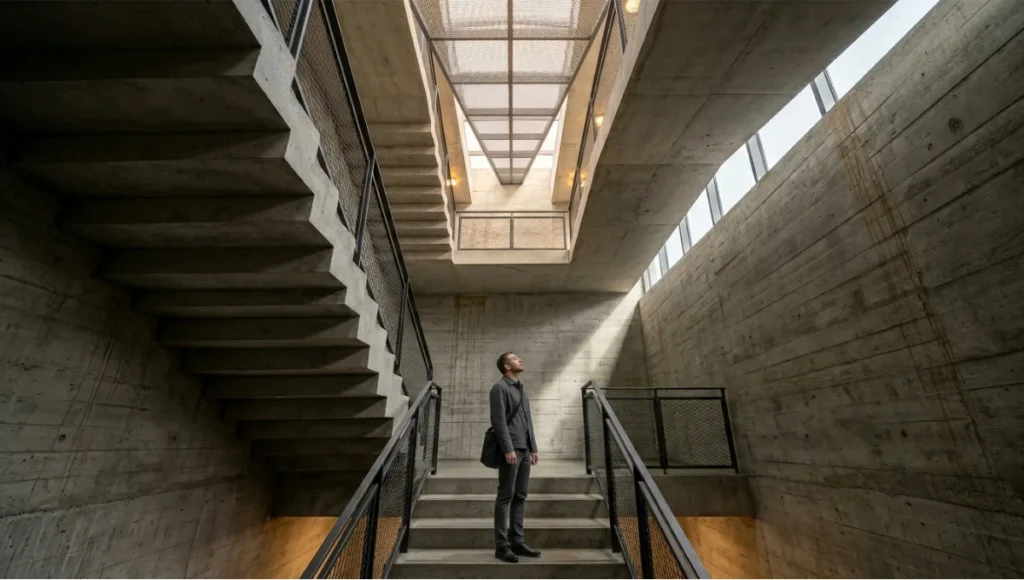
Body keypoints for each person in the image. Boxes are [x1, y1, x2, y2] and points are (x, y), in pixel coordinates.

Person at [489, 352, 542, 563]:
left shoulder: (521, 389)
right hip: (510, 451)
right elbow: (499, 421)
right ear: (506, 366)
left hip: (525, 450)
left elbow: (528, 420)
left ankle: (517, 542)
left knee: (520, 497)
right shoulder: (499, 389)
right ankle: (502, 547)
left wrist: (533, 447)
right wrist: (508, 448)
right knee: (505, 498)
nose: (520, 359)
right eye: (515, 358)